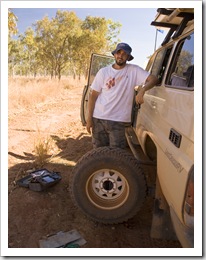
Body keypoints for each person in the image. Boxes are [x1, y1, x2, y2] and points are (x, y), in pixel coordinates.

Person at [86, 42, 158, 149]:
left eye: (124, 54)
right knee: (98, 153)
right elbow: (93, 96)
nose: (121, 55)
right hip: (99, 119)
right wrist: (89, 118)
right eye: (118, 52)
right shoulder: (103, 72)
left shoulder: (134, 70)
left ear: (128, 57)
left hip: (118, 121)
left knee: (117, 156)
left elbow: (154, 79)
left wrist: (142, 90)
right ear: (115, 54)